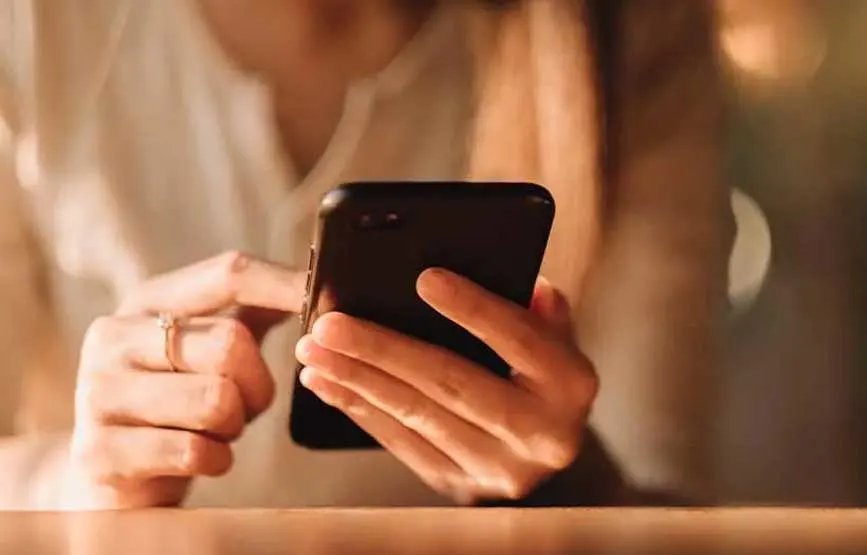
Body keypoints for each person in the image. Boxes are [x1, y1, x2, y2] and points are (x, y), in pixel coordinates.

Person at [0, 0, 733, 509]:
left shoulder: (626, 33)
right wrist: (79, 482)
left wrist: (556, 473)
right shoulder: (31, 27)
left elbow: (660, 489)